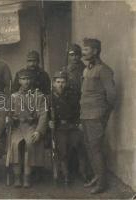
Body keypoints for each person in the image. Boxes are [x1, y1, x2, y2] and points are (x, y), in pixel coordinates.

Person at [80, 38, 116, 194]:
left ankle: (102, 183)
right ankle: (97, 176)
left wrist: (104, 114)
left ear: (95, 51)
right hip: (85, 115)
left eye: (86, 49)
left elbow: (112, 95)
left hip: (96, 116)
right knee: (89, 147)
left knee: (95, 149)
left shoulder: (104, 70)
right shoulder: (87, 69)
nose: (83, 52)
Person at [9, 69, 48, 188]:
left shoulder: (39, 96)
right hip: (18, 127)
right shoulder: (14, 96)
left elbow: (43, 115)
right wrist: (9, 119)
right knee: (14, 144)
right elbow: (8, 113)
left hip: (32, 126)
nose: (26, 81)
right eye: (23, 79)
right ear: (19, 81)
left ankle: (27, 176)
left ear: (32, 80)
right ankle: (17, 177)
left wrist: (39, 131)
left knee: (30, 144)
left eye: (28, 79)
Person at [49, 70, 87, 185]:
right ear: (54, 83)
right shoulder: (49, 97)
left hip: (72, 126)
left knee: (80, 144)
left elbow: (78, 111)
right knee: (62, 149)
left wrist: (79, 123)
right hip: (59, 127)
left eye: (63, 82)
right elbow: (44, 114)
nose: (60, 84)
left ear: (66, 83)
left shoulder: (72, 95)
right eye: (58, 82)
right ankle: (66, 175)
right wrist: (49, 122)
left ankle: (84, 173)